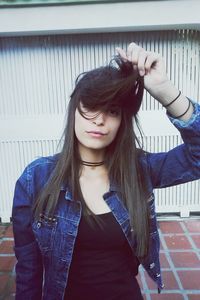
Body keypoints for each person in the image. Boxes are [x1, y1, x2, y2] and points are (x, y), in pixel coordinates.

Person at [12, 42, 200, 300]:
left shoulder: (138, 169)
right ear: (73, 111)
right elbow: (28, 271)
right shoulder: (35, 179)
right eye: (90, 106)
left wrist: (165, 91)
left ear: (122, 120)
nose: (99, 119)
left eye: (112, 110)